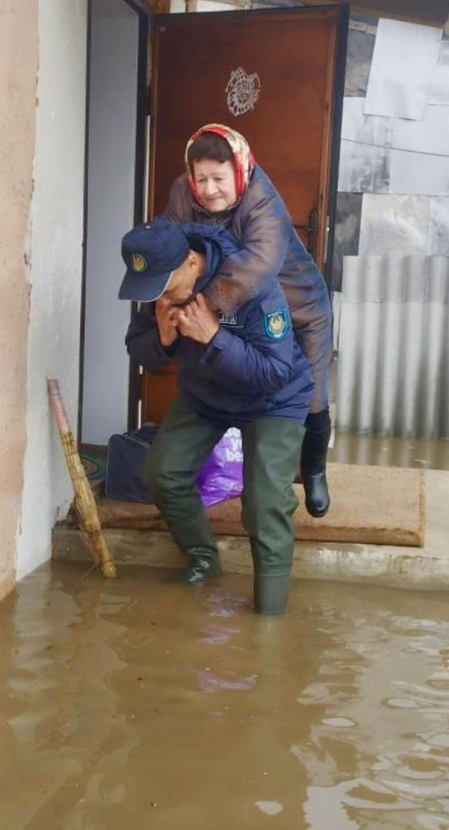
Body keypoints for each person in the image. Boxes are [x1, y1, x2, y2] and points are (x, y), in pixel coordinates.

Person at [120, 219, 314, 615]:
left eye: (164, 286)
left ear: (192, 263)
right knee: (163, 470)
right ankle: (203, 559)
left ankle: (270, 612)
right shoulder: (163, 288)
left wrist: (213, 337)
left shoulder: (250, 282)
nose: (159, 296)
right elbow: (136, 347)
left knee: (264, 502)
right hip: (206, 393)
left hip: (274, 400)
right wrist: (161, 338)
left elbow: (274, 372)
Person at [163, 123, 333, 518]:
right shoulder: (182, 192)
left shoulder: (262, 201)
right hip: (242, 311)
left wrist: (202, 304)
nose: (208, 189)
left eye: (219, 178)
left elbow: (257, 265)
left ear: (239, 172)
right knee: (236, 372)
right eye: (201, 178)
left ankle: (314, 471)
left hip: (299, 309)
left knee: (312, 396)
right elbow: (169, 243)